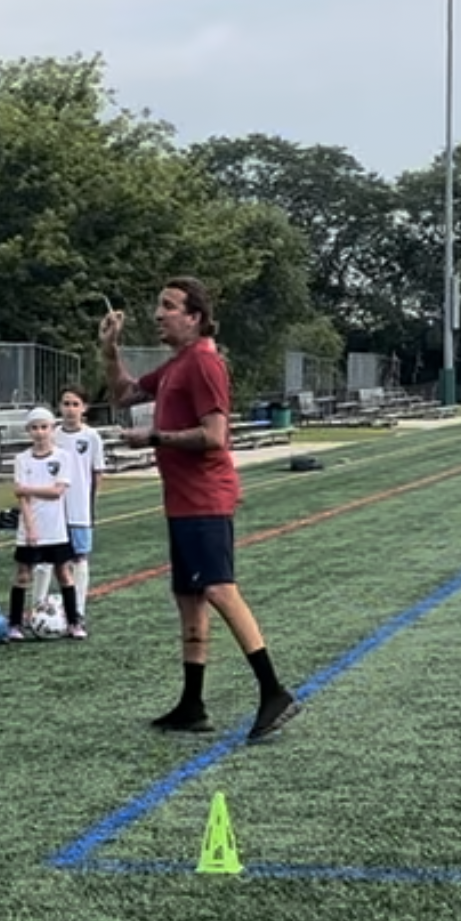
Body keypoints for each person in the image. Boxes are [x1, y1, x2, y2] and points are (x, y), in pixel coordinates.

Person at [99, 279, 297, 741]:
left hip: (206, 497)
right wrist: (110, 351)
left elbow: (214, 436)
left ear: (195, 316)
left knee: (219, 590)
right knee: (189, 600)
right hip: (182, 501)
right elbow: (122, 396)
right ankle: (193, 704)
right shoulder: (176, 365)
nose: (157, 314)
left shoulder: (204, 363)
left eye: (168, 306)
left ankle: (274, 690)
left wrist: (154, 439)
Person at [32, 387, 106, 630]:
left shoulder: (92, 437)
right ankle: (36, 608)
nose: (70, 409)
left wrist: (90, 504)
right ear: (59, 407)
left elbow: (96, 474)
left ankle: (78, 612)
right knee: (45, 558)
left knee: (79, 558)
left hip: (79, 509)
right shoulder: (53, 436)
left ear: (84, 408)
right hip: (52, 509)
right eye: (66, 403)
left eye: (76, 404)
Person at [7, 408, 83, 641]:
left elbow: (57, 491)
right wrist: (30, 527)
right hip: (31, 528)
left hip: (56, 528)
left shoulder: (63, 457)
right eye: (34, 428)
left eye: (44, 427)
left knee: (64, 573)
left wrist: (28, 489)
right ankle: (15, 624)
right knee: (23, 575)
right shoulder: (22, 459)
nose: (39, 433)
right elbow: (22, 499)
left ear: (52, 429)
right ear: (28, 431)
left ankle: (74, 623)